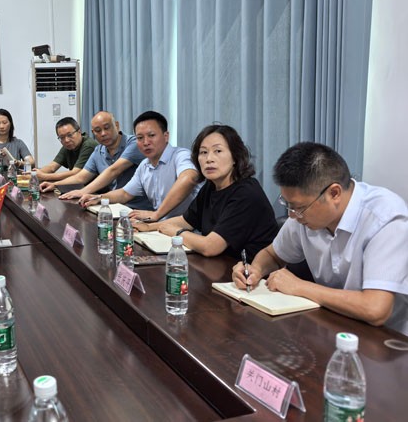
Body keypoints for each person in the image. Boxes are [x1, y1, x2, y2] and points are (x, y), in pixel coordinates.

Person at [232, 142, 408, 335]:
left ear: (334, 193)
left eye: (298, 207)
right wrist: (255, 270)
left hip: (385, 340)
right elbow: (273, 255)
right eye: (288, 205)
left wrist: (300, 287)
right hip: (330, 325)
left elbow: (375, 310)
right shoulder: (303, 215)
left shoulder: (385, 219)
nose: (292, 215)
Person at [134, 124, 277, 258]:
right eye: (203, 152)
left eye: (218, 151)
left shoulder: (246, 193)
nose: (209, 159)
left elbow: (211, 247)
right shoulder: (211, 186)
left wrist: (177, 232)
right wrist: (149, 227)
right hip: (221, 265)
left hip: (249, 271)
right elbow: (187, 220)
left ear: (235, 157)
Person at [79, 111, 200, 220]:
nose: (146, 142)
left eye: (151, 135)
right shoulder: (144, 166)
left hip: (187, 228)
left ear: (166, 136)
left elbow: (189, 178)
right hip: (159, 225)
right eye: (140, 138)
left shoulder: (180, 155)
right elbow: (125, 194)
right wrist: (99, 198)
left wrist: (157, 214)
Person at [39, 111, 150, 209]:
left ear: (117, 125)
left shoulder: (134, 143)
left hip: (139, 209)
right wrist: (55, 185)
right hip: (113, 205)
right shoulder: (98, 151)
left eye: (107, 128)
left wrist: (83, 191)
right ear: (93, 133)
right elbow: (81, 177)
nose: (103, 133)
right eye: (98, 130)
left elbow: (114, 170)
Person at [35, 117, 98, 182]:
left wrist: (44, 176)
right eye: (62, 137)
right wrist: (35, 174)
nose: (66, 140)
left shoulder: (89, 145)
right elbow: (52, 167)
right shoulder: (68, 146)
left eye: (70, 135)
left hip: (94, 187)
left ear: (79, 132)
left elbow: (76, 173)